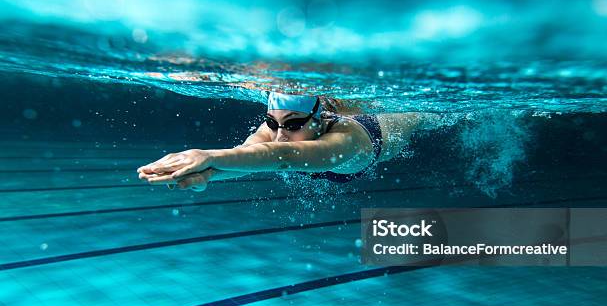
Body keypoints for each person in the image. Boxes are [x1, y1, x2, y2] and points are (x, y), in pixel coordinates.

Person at [137, 91, 425, 191]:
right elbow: (248, 158)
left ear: (320, 118)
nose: (279, 135)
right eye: (272, 123)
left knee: (424, 115)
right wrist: (206, 176)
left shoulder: (346, 140)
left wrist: (207, 156)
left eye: (293, 124)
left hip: (387, 128)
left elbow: (282, 157)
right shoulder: (275, 133)